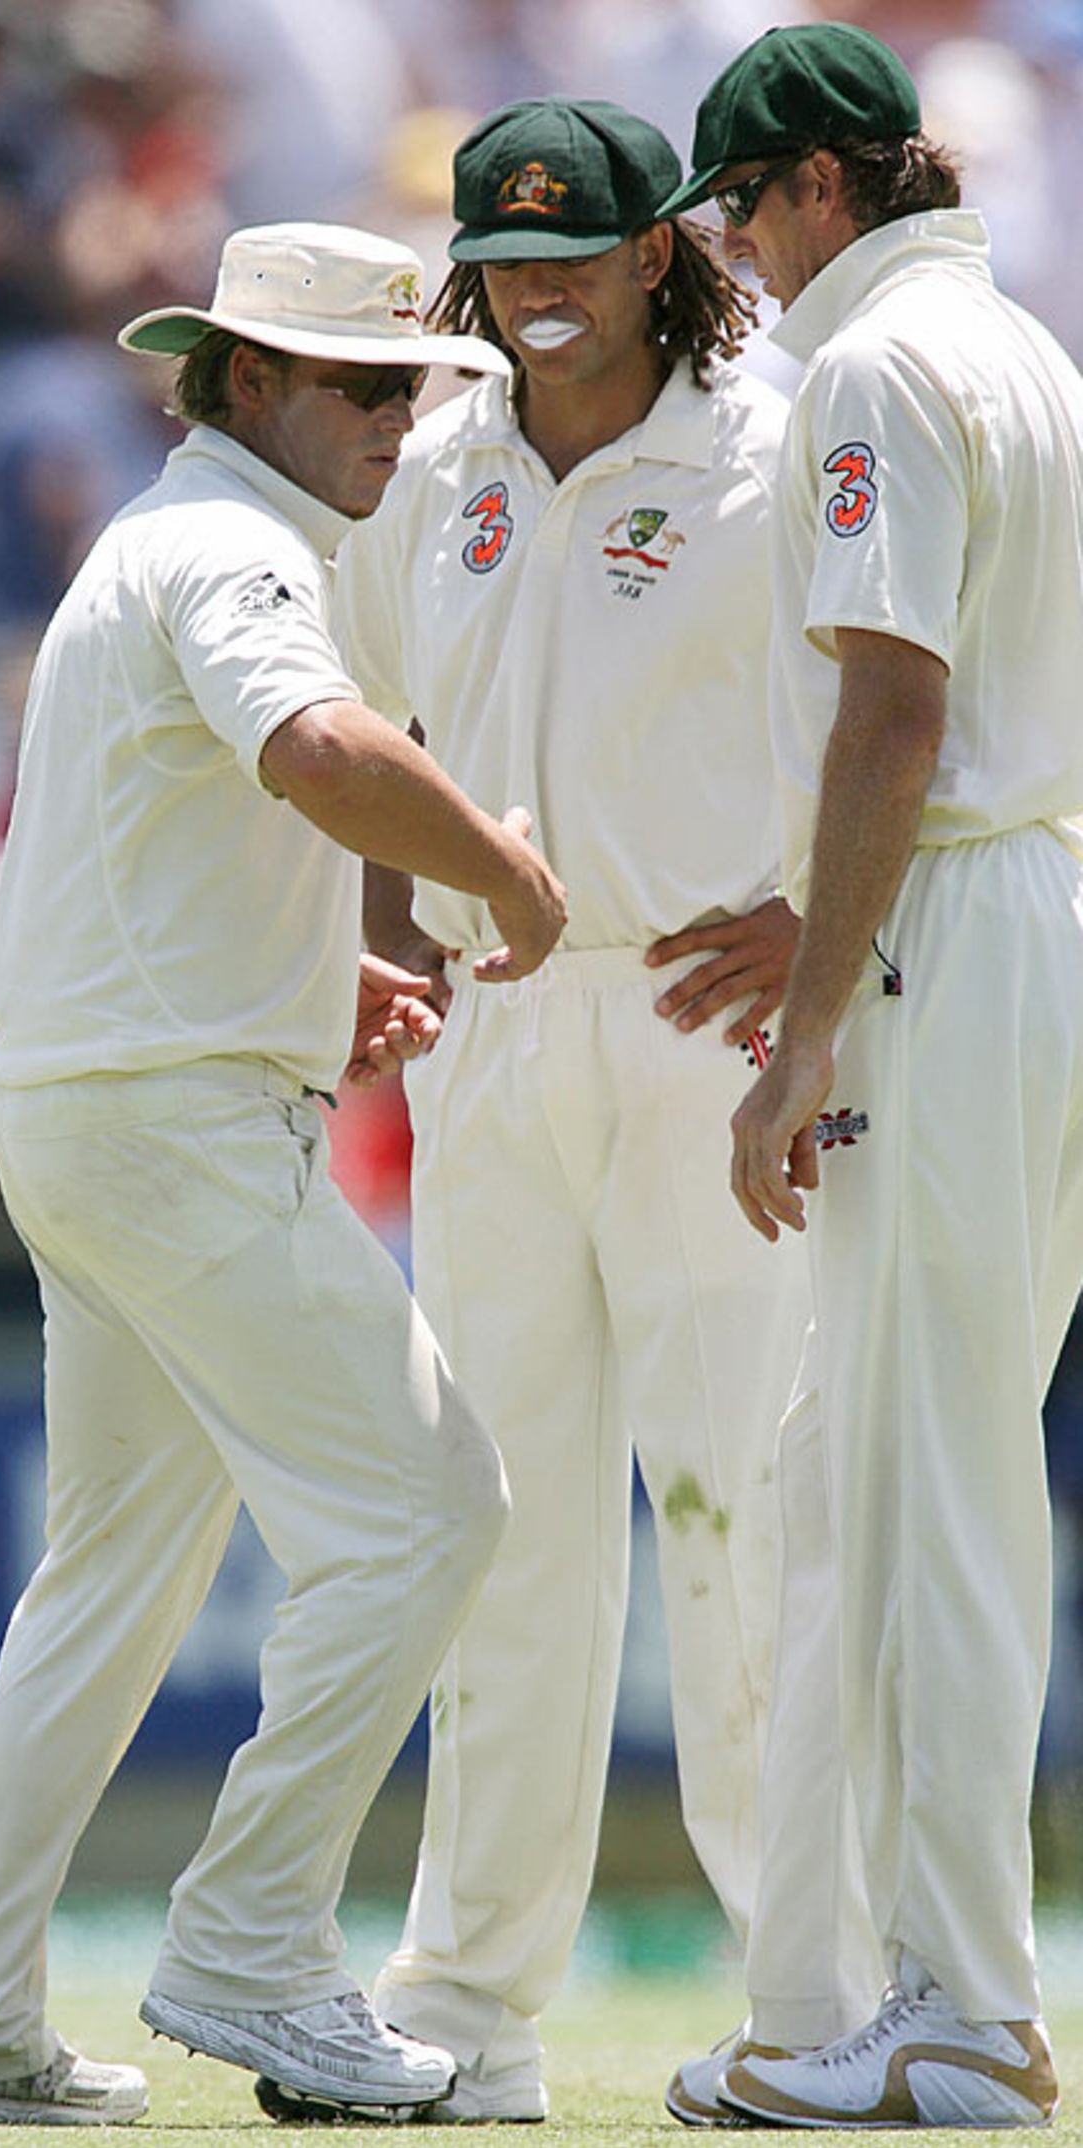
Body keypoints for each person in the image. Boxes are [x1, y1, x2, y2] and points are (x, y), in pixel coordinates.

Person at [0, 218, 569, 2129]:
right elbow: (325, 752)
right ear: (245, 378)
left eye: (415, 389)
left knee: (101, 1587)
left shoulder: (179, 540)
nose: (399, 422)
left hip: (104, 1110)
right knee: (429, 1509)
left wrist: (300, 975)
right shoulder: (234, 545)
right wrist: (501, 873)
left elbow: (162, 821)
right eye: (363, 385)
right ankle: (255, 1940)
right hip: (167, 1131)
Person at [330, 97, 881, 2127]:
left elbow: (901, 706)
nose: (534, 294)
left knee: (738, 1521)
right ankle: (466, 2018)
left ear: (664, 249)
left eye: (572, 255)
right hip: (492, 1033)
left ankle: (812, 2006)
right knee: (504, 1530)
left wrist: (819, 925)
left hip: (700, 1033)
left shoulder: (778, 443)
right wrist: (384, 930)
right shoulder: (439, 459)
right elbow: (366, 721)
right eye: (501, 260)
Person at [658, 20, 1083, 2127]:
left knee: (929, 1492)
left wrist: (804, 1026)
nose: (729, 250)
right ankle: (842, 1998)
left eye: (739, 204)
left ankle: (975, 2014)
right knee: (854, 1482)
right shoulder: (1012, 345)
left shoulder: (873, 366)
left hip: (956, 940)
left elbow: (895, 715)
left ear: (821, 182)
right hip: (1004, 915)